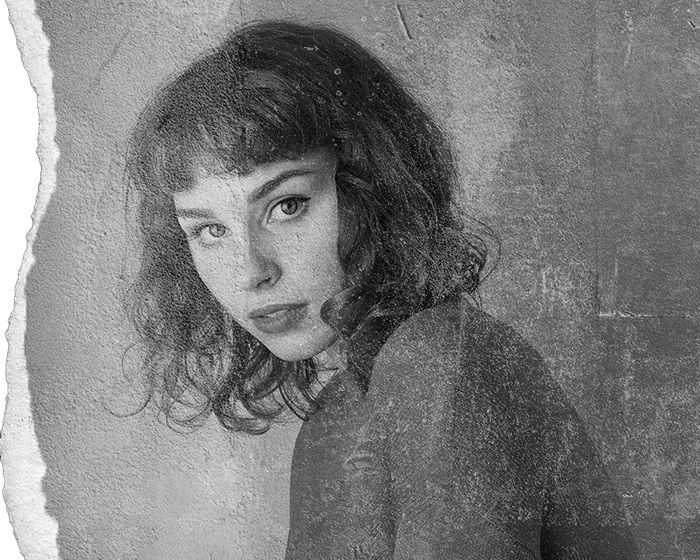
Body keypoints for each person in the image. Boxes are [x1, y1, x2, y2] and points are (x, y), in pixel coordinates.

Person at [125, 20, 638, 559]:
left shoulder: (437, 362)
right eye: (210, 230)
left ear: (375, 189)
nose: (251, 271)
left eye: (287, 206)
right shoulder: (340, 411)